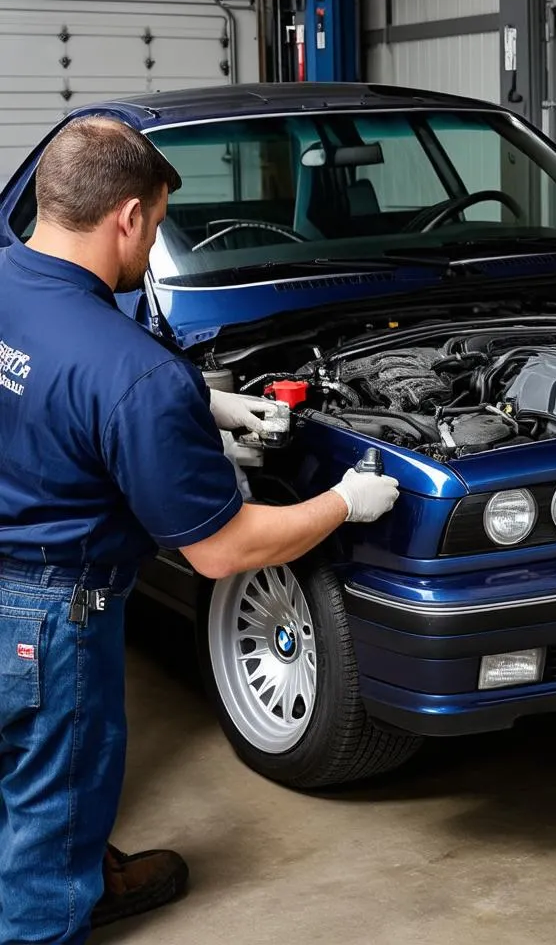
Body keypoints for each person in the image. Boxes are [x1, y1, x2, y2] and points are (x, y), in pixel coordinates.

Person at [0, 117, 400, 943]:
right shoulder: (128, 369)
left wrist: (196, 403)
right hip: (51, 614)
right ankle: (48, 907)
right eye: (156, 221)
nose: (150, 242)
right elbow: (219, 549)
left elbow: (49, 388)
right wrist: (341, 507)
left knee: (22, 775)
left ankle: (77, 870)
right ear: (129, 217)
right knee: (53, 786)